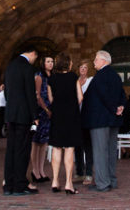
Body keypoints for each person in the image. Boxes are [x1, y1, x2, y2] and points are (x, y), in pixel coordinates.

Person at [80, 50, 126, 193]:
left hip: (100, 120)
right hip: (113, 119)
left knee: (100, 151)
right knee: (111, 151)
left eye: (96, 59)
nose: (94, 62)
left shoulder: (100, 76)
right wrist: (120, 107)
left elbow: (104, 96)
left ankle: (102, 183)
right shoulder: (116, 76)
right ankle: (111, 180)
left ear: (104, 61)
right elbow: (122, 94)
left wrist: (114, 108)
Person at [3, 47, 39, 196]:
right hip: (23, 115)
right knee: (22, 150)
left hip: (11, 114)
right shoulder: (27, 68)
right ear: (32, 54)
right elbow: (30, 93)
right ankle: (19, 185)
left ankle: (8, 184)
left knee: (11, 149)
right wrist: (35, 115)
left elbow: (6, 91)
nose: (34, 60)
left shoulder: (10, 66)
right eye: (35, 58)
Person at [47, 52, 83, 195]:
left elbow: (50, 99)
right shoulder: (74, 77)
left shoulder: (52, 79)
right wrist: (71, 105)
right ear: (68, 63)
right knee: (69, 149)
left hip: (57, 116)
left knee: (56, 148)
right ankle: (68, 183)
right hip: (71, 116)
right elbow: (80, 97)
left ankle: (55, 181)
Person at [30, 55, 54, 183]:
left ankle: (41, 170)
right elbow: (37, 95)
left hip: (49, 112)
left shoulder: (51, 77)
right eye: (48, 61)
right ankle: (35, 170)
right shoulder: (39, 76)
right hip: (41, 112)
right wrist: (46, 109)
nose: (50, 64)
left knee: (44, 143)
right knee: (36, 142)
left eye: (52, 61)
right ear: (43, 63)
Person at [75, 59, 94, 186]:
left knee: (87, 146)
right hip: (76, 116)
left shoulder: (91, 81)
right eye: (81, 67)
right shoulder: (75, 81)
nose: (83, 69)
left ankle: (88, 173)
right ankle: (79, 171)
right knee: (77, 145)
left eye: (85, 67)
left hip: (87, 116)